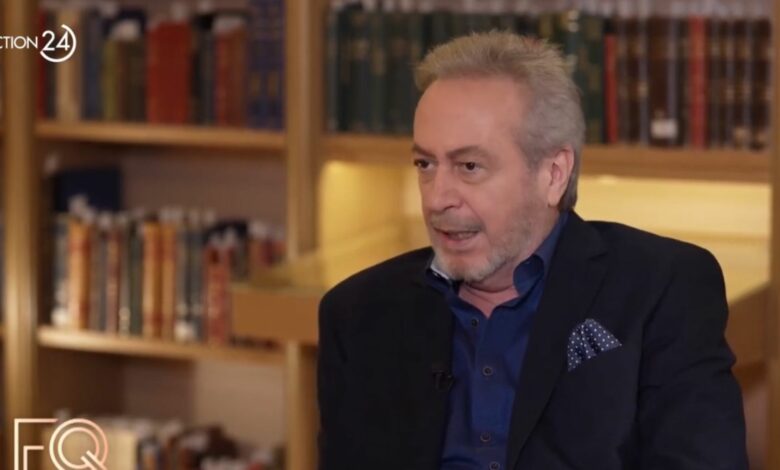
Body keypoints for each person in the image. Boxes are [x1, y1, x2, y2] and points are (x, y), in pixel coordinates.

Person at [317, 32, 747, 470]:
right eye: (425, 165)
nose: (437, 198)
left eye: (469, 166)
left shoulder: (661, 290)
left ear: (553, 174)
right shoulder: (358, 314)